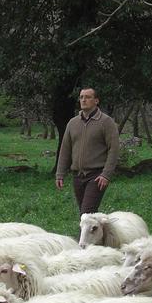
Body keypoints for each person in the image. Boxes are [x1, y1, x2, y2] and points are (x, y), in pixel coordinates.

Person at [55, 87, 120, 215]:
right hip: (77, 176)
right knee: (88, 215)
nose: (84, 100)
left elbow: (114, 149)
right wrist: (60, 173)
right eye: (81, 97)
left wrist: (106, 174)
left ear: (96, 101)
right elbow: (65, 150)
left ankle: (81, 236)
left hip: (96, 176)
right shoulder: (72, 123)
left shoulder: (106, 122)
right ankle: (101, 234)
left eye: (88, 97)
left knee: (86, 214)